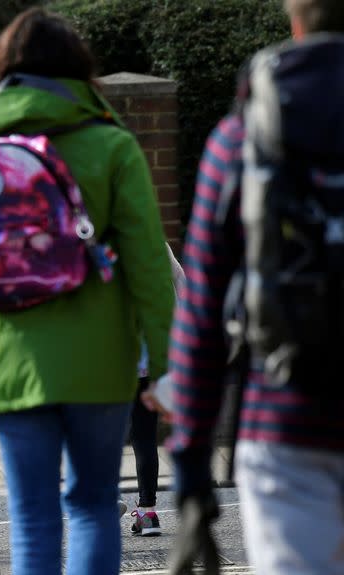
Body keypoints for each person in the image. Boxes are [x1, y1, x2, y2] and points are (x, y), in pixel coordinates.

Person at [0, 8, 175, 574]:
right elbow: (149, 269)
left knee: (33, 518)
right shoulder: (111, 142)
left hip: (7, 357)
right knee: (91, 507)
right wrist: (163, 363)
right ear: (78, 70)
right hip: (100, 359)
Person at [167, 1, 344, 573]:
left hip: (283, 426)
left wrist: (192, 471)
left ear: (295, 23)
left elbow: (200, 317)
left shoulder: (240, 137)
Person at [128, 243, 185, 537]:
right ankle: (148, 512)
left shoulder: (96, 239)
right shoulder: (155, 244)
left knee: (97, 435)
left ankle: (98, 501)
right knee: (144, 438)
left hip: (108, 360)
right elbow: (182, 283)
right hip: (149, 359)